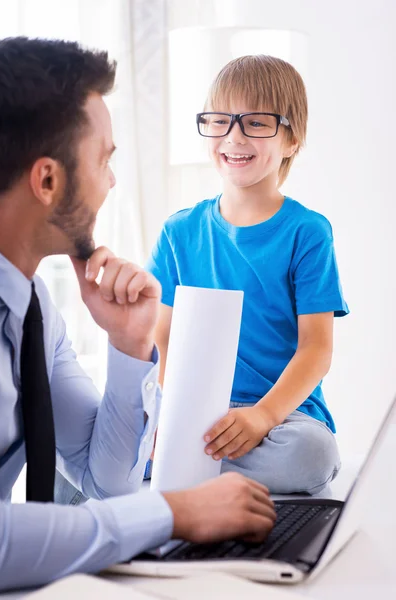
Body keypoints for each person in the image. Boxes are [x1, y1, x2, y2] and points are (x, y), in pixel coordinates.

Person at [0, 38, 276, 593]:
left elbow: (106, 484)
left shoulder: (33, 313)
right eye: (104, 159)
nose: (111, 181)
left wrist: (129, 344)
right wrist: (172, 513)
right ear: (48, 180)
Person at [147, 55, 349, 495]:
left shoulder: (308, 233)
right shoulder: (178, 231)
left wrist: (261, 416)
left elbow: (316, 349)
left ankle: (172, 473)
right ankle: (174, 465)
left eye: (256, 123)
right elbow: (163, 341)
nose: (233, 137)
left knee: (313, 454)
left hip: (282, 417)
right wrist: (164, 418)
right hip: (194, 411)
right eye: (220, 121)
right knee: (87, 435)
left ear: (292, 140)